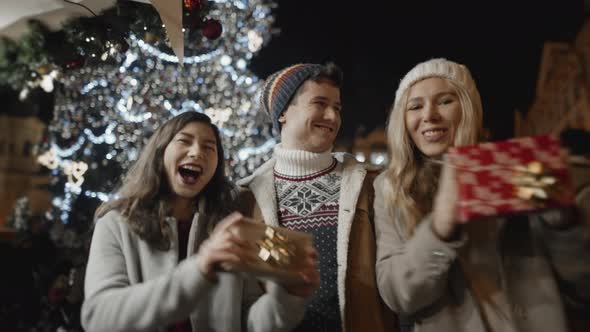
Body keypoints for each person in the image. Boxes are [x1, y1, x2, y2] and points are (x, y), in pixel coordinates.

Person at [374, 58, 590, 332]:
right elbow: (398, 295)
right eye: (415, 106)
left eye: (444, 101)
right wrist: (439, 228)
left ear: (468, 108)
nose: (429, 115)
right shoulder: (391, 187)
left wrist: (562, 224)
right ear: (402, 121)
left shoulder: (514, 166)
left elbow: (583, 282)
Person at [81, 111, 318, 332]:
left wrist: (288, 296)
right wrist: (199, 269)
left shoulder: (229, 229)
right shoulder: (115, 224)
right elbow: (99, 317)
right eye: (184, 141)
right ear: (160, 151)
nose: (197, 153)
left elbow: (250, 322)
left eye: (209, 147)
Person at [238, 63, 397, 332]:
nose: (332, 116)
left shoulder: (370, 185)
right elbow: (251, 302)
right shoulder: (248, 199)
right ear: (283, 113)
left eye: (337, 108)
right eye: (320, 103)